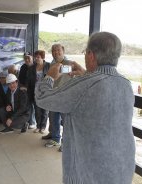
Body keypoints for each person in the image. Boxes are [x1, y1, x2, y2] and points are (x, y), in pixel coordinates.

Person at [35, 32, 135, 184]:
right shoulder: (125, 84)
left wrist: (49, 77)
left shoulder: (84, 85)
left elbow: (42, 98)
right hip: (122, 168)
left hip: (88, 173)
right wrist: (87, 74)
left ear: (91, 55)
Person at [43, 44, 72, 148]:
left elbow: (62, 73)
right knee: (53, 118)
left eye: (58, 50)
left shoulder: (69, 63)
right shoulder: (52, 63)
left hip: (65, 97)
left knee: (66, 122)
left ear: (63, 51)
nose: (56, 52)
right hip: (54, 96)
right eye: (53, 51)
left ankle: (66, 143)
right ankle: (55, 138)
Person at [27, 50, 49, 134]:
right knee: (37, 110)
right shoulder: (32, 67)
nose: (36, 59)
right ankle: (38, 126)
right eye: (35, 57)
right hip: (35, 91)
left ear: (42, 57)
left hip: (46, 92)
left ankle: (43, 127)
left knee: (45, 111)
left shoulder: (48, 65)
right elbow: (28, 79)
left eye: (38, 57)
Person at [18, 52, 36, 129]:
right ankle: (30, 122)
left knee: (36, 107)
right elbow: (20, 79)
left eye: (29, 58)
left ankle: (38, 125)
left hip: (36, 90)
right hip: (26, 90)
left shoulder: (36, 66)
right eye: (25, 58)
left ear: (32, 58)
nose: (27, 60)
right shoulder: (23, 67)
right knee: (28, 106)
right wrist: (22, 87)